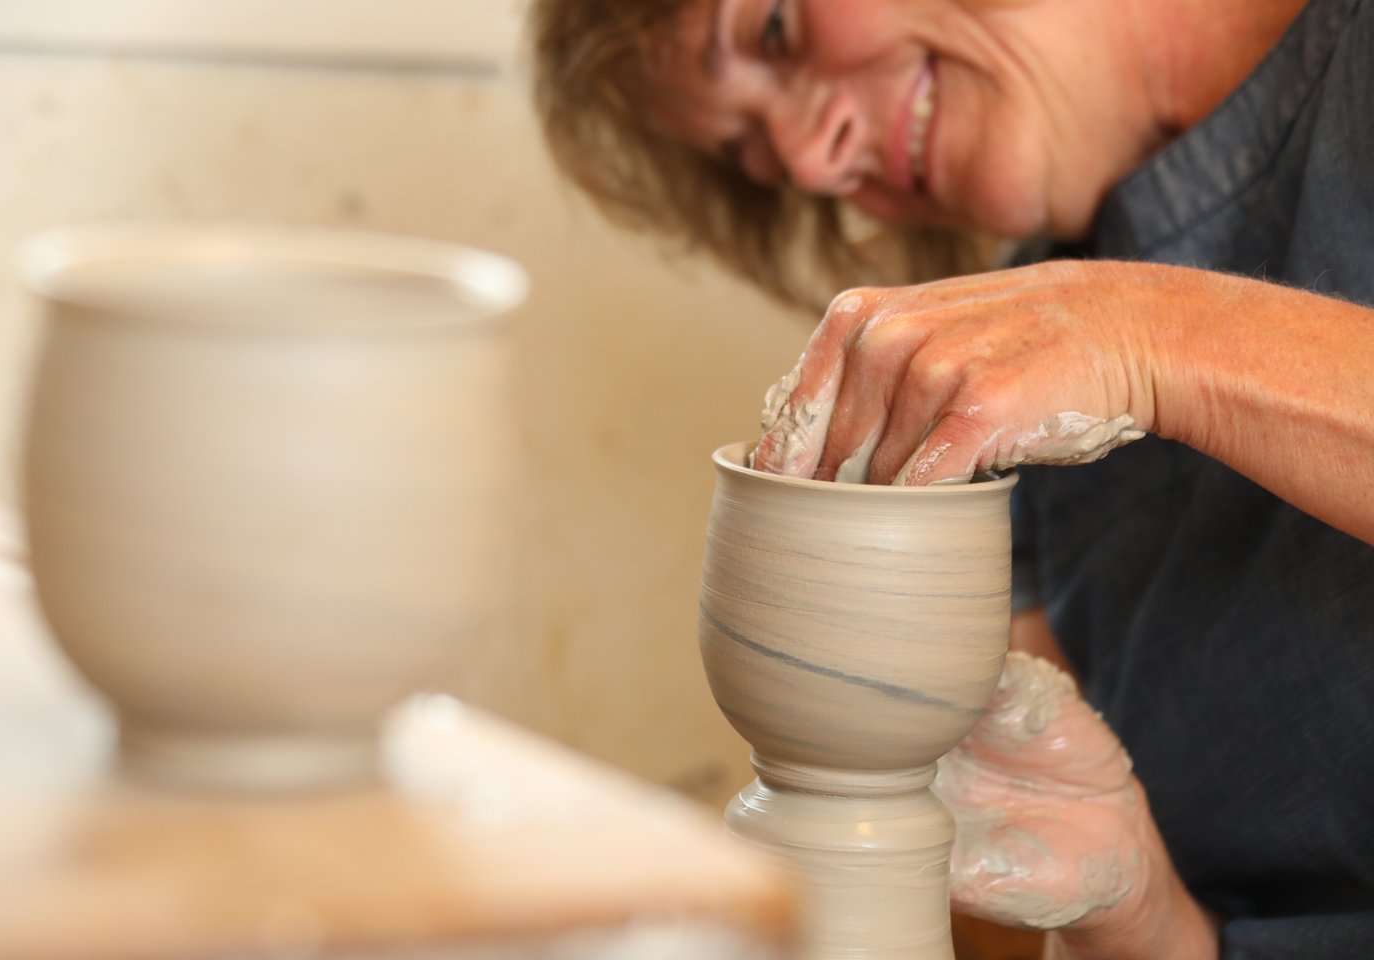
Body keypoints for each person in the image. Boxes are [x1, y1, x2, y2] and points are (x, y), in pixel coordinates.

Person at [530, 0, 1374, 957]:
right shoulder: (1000, 392)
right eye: (753, 155)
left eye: (774, 30)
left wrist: (1145, 335)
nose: (812, 164)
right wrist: (1143, 911)